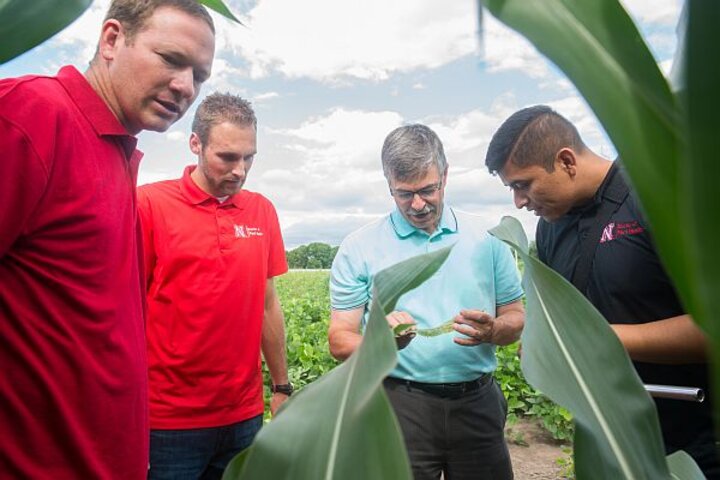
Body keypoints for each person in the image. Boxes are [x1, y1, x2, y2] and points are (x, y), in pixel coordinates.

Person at [0, 1, 215, 478]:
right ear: (112, 40)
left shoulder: (115, 152)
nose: (186, 87)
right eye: (171, 59)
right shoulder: (30, 114)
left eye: (199, 76)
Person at [485, 105, 719, 478]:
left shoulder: (657, 200)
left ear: (565, 161)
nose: (519, 201)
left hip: (694, 439)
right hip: (607, 438)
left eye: (522, 184)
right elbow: (562, 317)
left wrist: (602, 339)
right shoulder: (550, 228)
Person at [328, 124, 525, 480]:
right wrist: (381, 343)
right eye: (404, 194)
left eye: (427, 190)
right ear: (389, 184)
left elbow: (516, 319)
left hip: (477, 403)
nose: (418, 205)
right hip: (399, 404)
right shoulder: (359, 247)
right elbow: (339, 340)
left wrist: (495, 330)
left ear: (445, 176)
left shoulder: (488, 238)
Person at [138, 92, 290, 480]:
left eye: (248, 157)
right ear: (195, 144)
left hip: (243, 416)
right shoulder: (149, 205)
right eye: (227, 157)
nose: (239, 170)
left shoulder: (262, 210)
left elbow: (268, 304)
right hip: (167, 422)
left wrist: (282, 385)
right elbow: (126, 308)